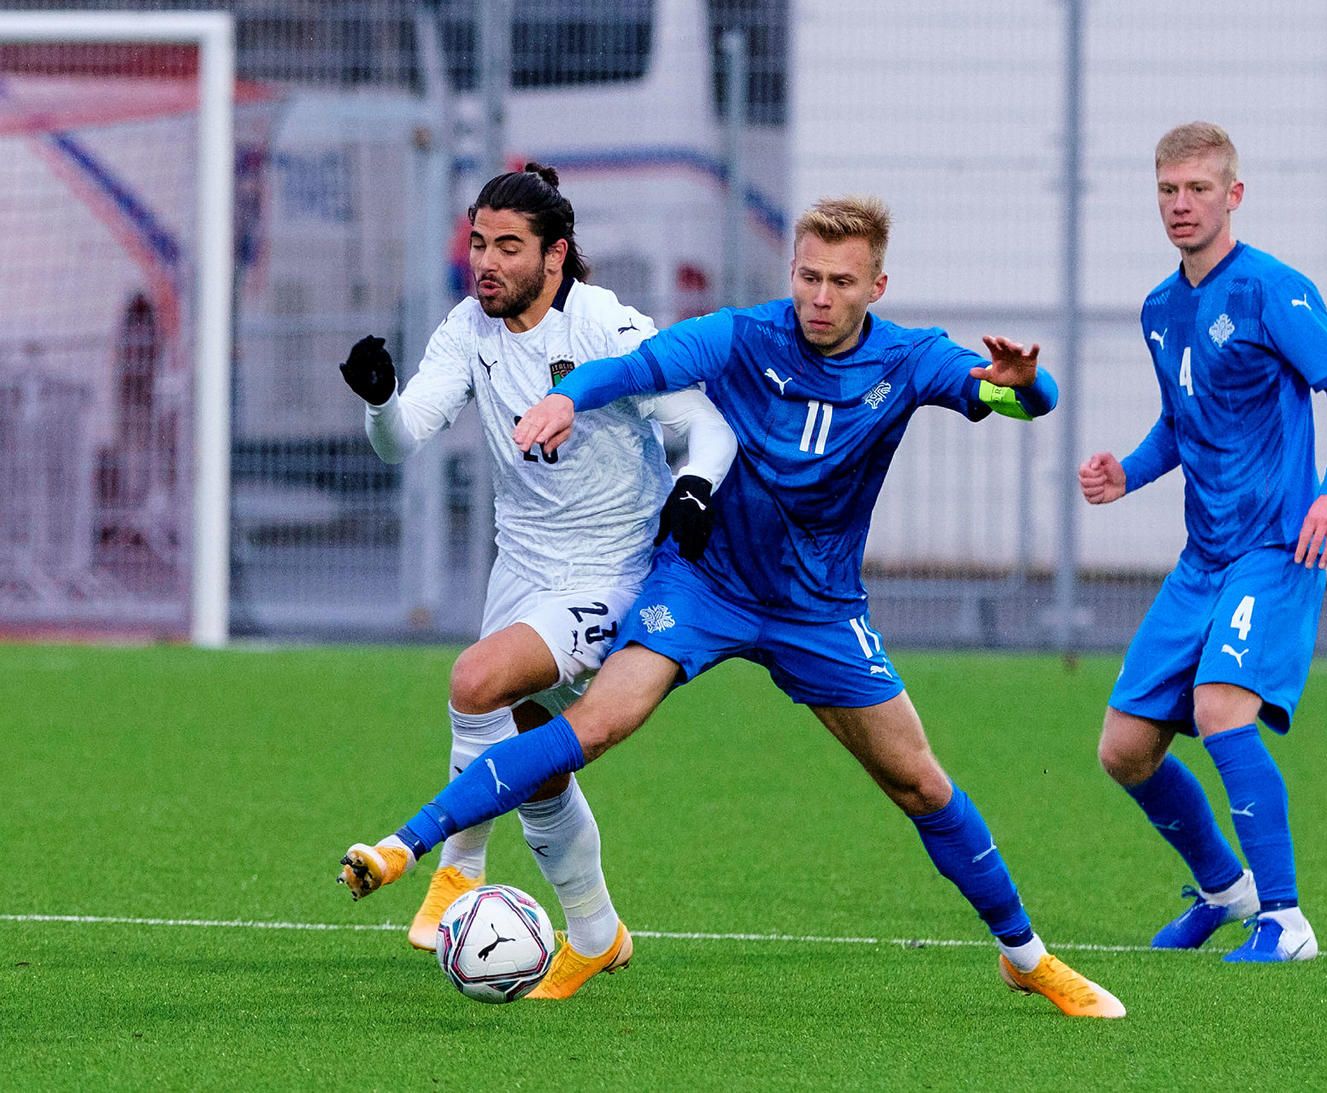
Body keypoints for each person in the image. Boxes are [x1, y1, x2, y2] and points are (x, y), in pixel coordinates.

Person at [338, 196, 1126, 1018]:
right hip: (702, 584)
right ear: (791, 270)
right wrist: (573, 396)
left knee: (919, 782)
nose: (820, 295)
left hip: (818, 607)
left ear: (877, 286)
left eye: (841, 281)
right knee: (589, 726)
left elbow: (1013, 398)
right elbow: (645, 366)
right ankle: (410, 847)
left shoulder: (912, 358)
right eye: (808, 275)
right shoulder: (747, 334)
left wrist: (1028, 387)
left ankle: (1027, 957)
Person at [337, 163, 736, 999]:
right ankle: (596, 932)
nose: (486, 261)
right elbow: (402, 437)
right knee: (533, 755)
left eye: (507, 247)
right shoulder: (468, 329)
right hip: (519, 565)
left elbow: (706, 424)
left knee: (475, 679)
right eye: (479, 242)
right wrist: (378, 401)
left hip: (613, 567)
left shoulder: (606, 326)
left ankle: (459, 870)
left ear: (555, 257)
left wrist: (695, 487)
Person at [1078, 123, 1327, 962]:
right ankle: (1224, 889)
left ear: (1232, 195)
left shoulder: (1272, 289)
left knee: (1218, 711)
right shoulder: (1159, 308)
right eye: (1168, 190)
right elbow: (1182, 422)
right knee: (1125, 748)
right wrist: (1125, 473)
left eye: (1198, 189)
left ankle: (1284, 920)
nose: (1181, 204)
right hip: (1201, 558)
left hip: (1275, 547)